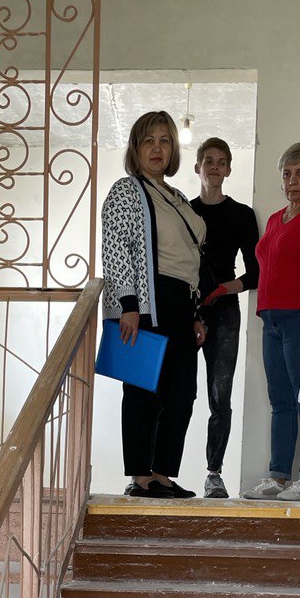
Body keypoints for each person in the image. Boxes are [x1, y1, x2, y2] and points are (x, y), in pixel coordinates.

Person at [100, 111, 207, 498]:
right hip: (147, 299)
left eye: (164, 141)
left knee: (182, 393)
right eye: (148, 140)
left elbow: (191, 260)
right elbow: (115, 248)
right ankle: (140, 475)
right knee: (143, 389)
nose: (157, 148)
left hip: (182, 302)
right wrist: (128, 304)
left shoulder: (177, 198)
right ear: (135, 149)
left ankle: (162, 474)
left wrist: (196, 313)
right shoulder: (127, 191)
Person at [244, 142, 300, 501]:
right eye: (286, 174)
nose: (292, 181)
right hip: (271, 319)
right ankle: (278, 476)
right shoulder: (274, 219)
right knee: (280, 401)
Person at [189, 138, 259, 498]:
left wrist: (221, 290)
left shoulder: (241, 215)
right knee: (178, 392)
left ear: (229, 169)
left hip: (225, 313)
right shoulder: (184, 213)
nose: (214, 167)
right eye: (208, 161)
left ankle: (213, 474)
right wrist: (195, 307)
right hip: (185, 310)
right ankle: (158, 472)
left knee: (220, 396)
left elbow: (256, 273)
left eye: (221, 161)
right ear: (198, 167)